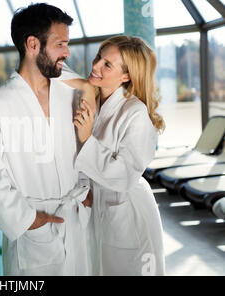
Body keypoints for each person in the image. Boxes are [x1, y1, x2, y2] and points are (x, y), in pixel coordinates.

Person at [0, 3, 95, 276]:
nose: (67, 53)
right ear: (33, 44)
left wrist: (86, 187)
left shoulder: (68, 95)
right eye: (60, 44)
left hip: (74, 221)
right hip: (34, 231)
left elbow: (82, 145)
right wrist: (27, 220)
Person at [73, 35, 165, 276]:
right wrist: (85, 188)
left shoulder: (135, 113)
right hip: (101, 211)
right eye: (98, 58)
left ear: (126, 76)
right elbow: (81, 163)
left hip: (129, 213)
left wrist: (86, 140)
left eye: (107, 65)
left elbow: (125, 175)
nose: (95, 66)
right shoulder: (94, 102)